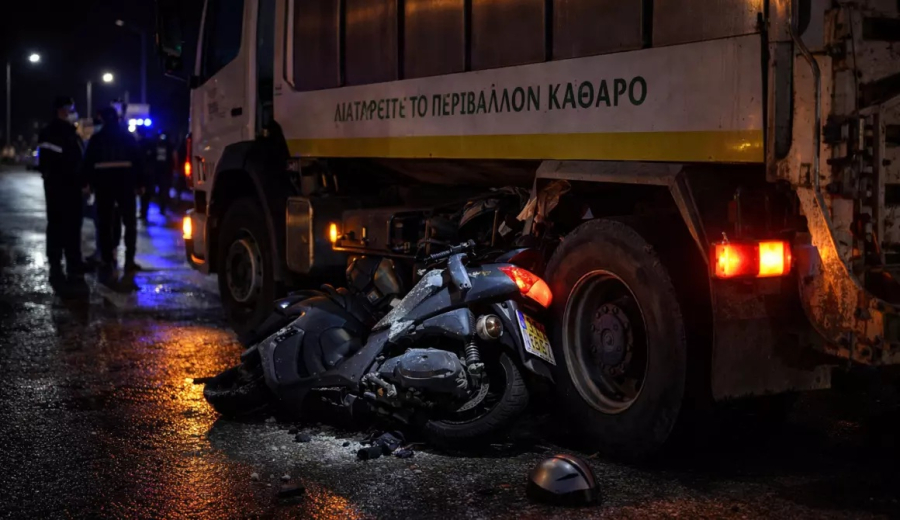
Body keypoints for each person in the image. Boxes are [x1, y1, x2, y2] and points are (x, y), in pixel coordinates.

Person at [83, 106, 144, 284]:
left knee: (105, 224)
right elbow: (138, 161)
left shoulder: (97, 139)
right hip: (126, 185)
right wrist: (140, 184)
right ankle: (129, 260)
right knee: (130, 223)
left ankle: (107, 260)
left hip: (104, 186)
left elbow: (88, 163)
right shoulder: (127, 137)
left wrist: (87, 183)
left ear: (102, 119)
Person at [37, 96, 86, 291]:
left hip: (68, 187)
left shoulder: (69, 131)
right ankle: (59, 265)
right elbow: (50, 162)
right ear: (61, 110)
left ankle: (70, 264)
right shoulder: (54, 132)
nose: (73, 112)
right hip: (61, 187)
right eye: (70, 108)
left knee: (68, 226)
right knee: (61, 225)